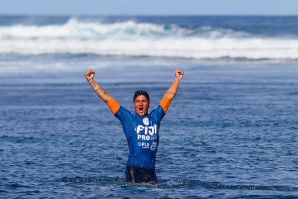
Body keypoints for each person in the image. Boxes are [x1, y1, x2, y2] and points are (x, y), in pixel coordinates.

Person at [84, 68, 184, 184]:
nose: (140, 104)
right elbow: (107, 98)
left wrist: (177, 79)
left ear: (149, 104)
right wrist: (92, 81)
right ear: (134, 104)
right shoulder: (128, 118)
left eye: (143, 101)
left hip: (151, 171)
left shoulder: (155, 117)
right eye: (137, 101)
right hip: (134, 170)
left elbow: (169, 96)